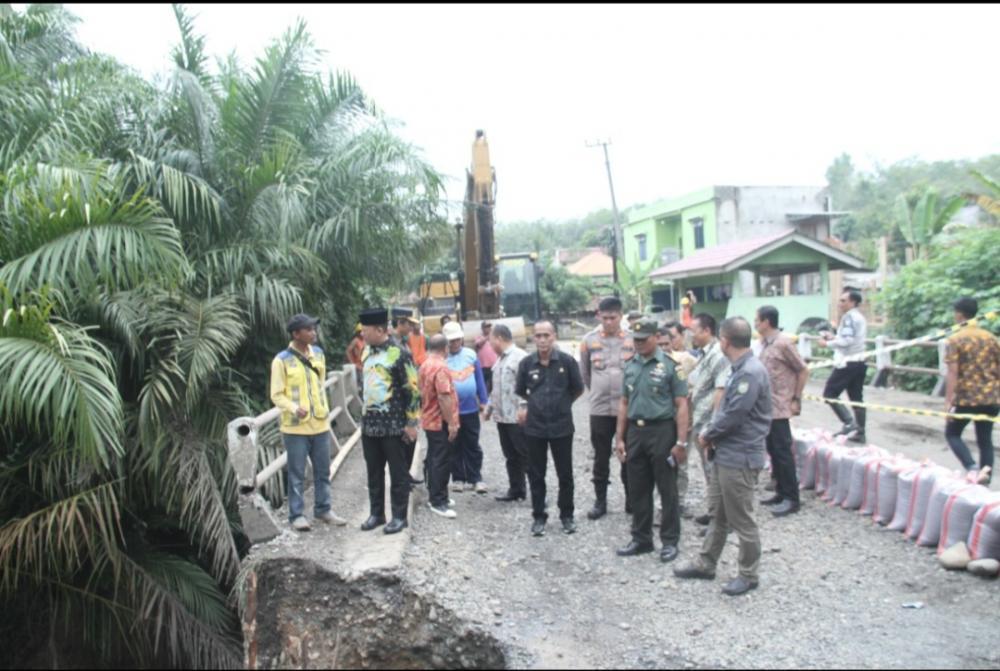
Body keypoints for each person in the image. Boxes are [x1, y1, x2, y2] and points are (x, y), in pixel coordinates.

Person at [674, 317, 772, 597]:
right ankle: (706, 562)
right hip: (725, 454)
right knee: (718, 513)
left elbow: (734, 415)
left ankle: (748, 574)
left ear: (725, 340)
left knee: (742, 519)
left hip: (739, 457)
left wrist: (707, 434)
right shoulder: (737, 368)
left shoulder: (750, 372)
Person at [614, 318, 689, 563]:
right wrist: (620, 438)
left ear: (656, 337)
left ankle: (669, 541)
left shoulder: (671, 367)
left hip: (662, 431)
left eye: (643, 340)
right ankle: (641, 538)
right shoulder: (630, 366)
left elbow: (681, 406)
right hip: (636, 432)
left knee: (667, 488)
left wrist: (681, 442)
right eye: (635, 340)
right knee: (638, 487)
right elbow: (624, 403)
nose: (638, 344)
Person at [270, 314, 347, 531]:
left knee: (323, 470)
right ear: (296, 334)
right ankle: (297, 515)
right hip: (295, 427)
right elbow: (276, 394)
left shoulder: (319, 354)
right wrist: (295, 408)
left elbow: (320, 385)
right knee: (297, 473)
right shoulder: (281, 360)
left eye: (314, 329)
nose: (314, 333)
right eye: (309, 329)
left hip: (320, 423)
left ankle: (323, 509)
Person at [516, 320, 585, 537]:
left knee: (565, 474)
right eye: (538, 335)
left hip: (562, 427)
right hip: (535, 428)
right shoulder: (527, 364)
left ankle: (567, 515)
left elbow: (578, 389)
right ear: (533, 338)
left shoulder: (567, 362)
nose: (543, 339)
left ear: (554, 336)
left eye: (546, 335)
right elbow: (521, 390)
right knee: (536, 474)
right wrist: (535, 406)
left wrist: (562, 405)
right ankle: (538, 516)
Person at [358, 307, 421, 534]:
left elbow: (413, 390)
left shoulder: (399, 353)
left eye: (365, 330)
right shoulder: (367, 352)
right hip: (370, 426)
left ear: (380, 329)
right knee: (373, 472)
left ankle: (399, 516)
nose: (362, 334)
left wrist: (411, 424)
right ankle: (377, 513)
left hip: (394, 426)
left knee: (398, 473)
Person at [579, 296, 636, 520]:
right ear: (599, 316)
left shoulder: (632, 340)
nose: (609, 322)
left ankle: (632, 500)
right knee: (601, 457)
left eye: (613, 317)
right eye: (605, 318)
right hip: (600, 409)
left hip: (628, 408)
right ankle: (600, 502)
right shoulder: (588, 340)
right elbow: (585, 372)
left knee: (629, 456)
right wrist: (596, 391)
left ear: (621, 316)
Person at [754, 305, 809, 517]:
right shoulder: (765, 344)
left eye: (757, 320)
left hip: (780, 407)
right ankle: (780, 491)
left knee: (783, 452)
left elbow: (802, 370)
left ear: (767, 322)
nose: (755, 324)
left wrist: (796, 398)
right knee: (774, 452)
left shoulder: (784, 343)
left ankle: (792, 498)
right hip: (766, 407)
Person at [944, 297, 1000, 485]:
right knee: (985, 440)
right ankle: (986, 478)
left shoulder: (955, 338)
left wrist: (948, 400)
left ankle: (971, 467)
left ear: (959, 314)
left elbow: (953, 372)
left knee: (952, 433)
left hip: (965, 398)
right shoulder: (991, 338)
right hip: (990, 398)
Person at [686, 313, 730, 526]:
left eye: (693, 329)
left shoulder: (718, 356)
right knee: (708, 471)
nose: (690, 334)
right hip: (699, 422)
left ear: (706, 330)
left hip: (708, 425)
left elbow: (720, 391)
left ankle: (722, 521)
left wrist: (713, 428)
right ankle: (714, 512)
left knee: (715, 474)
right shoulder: (704, 354)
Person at [443, 321, 490, 494]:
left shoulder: (471, 355)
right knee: (454, 445)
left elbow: (479, 380)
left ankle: (475, 478)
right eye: (450, 341)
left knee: (472, 444)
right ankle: (458, 478)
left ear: (461, 339)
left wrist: (484, 401)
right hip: (451, 412)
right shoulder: (443, 359)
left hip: (470, 409)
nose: (454, 343)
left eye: (456, 339)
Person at [485, 323, 530, 502]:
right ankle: (516, 489)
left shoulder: (520, 358)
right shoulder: (500, 360)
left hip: (517, 417)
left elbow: (529, 385)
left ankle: (537, 490)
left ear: (499, 339)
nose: (490, 345)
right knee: (510, 456)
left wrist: (524, 407)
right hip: (503, 417)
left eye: (491, 341)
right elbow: (496, 387)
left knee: (526, 455)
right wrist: (489, 407)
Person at [419, 334, 460, 517]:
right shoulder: (441, 367)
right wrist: (451, 423)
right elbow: (444, 397)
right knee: (441, 460)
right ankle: (438, 500)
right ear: (445, 348)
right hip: (439, 421)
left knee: (434, 457)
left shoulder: (425, 364)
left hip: (428, 418)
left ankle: (438, 494)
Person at [820, 289, 868, 443]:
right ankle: (860, 431)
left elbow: (847, 341)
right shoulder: (859, 317)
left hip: (847, 362)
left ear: (853, 302)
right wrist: (835, 337)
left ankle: (849, 423)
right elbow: (850, 338)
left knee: (830, 393)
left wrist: (827, 343)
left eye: (843, 301)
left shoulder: (848, 318)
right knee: (856, 397)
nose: (840, 304)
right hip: (859, 361)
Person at [475, 321, 499, 393]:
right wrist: (487, 338)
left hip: (494, 365)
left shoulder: (494, 337)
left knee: (493, 383)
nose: (488, 328)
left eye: (489, 327)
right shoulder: (478, 337)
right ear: (482, 328)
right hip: (483, 366)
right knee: (483, 383)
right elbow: (478, 344)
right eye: (486, 327)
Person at [346, 322, 365, 387]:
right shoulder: (356, 340)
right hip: (358, 366)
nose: (362, 333)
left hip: (364, 365)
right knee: (361, 384)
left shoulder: (365, 340)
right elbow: (348, 351)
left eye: (363, 331)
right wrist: (352, 363)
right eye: (361, 331)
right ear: (358, 332)